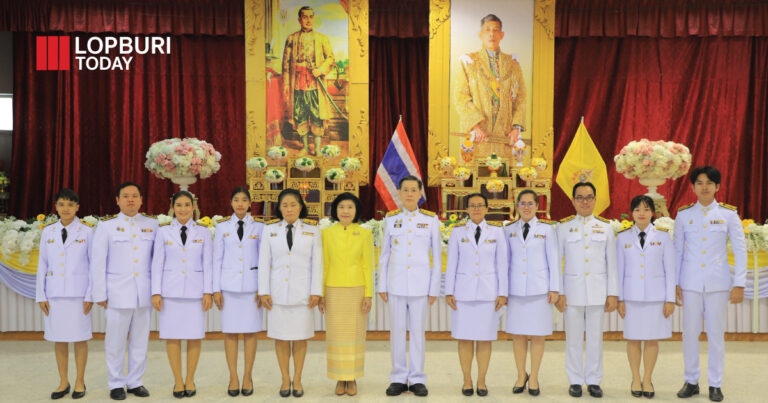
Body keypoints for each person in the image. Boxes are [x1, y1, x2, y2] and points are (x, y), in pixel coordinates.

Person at [674, 166, 746, 402]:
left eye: (709, 183)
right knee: (689, 334)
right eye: (699, 183)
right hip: (690, 283)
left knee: (716, 334)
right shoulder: (683, 215)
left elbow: (740, 249)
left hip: (717, 283)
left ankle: (715, 383)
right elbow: (677, 251)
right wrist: (675, 283)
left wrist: (739, 283)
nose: (704, 187)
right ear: (693, 187)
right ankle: (691, 381)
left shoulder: (728, 214)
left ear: (717, 186)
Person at [90, 182, 157, 400]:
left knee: (140, 341)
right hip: (117, 294)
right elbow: (98, 263)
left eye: (135, 196)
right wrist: (99, 293)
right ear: (117, 200)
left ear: (141, 200)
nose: (130, 200)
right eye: (126, 196)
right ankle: (116, 383)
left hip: (143, 293)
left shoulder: (152, 224)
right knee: (115, 342)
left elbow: (157, 261)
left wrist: (156, 291)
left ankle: (135, 381)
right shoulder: (107, 226)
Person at [377, 175, 442, 397]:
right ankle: (397, 377)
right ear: (399, 193)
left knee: (417, 333)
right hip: (396, 285)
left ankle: (416, 378)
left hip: (420, 286)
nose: (409, 194)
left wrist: (434, 288)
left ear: (420, 193)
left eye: (414, 190)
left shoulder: (430, 220)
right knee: (396, 332)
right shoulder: (391, 219)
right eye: (405, 190)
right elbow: (385, 255)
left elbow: (436, 257)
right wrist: (382, 285)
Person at [555, 182, 618, 398]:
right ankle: (574, 380)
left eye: (589, 197)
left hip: (598, 291)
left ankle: (593, 380)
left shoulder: (606, 227)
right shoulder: (563, 227)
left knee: (595, 339)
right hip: (571, 292)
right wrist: (559, 292)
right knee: (573, 338)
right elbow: (557, 262)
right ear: (573, 201)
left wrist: (612, 293)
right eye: (580, 197)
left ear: (595, 200)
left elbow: (612, 263)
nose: (585, 201)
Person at [258, 189, 323, 398]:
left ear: (301, 207)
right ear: (279, 208)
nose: (289, 209)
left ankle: (298, 379)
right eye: (284, 205)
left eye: (293, 204)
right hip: (277, 294)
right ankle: (285, 379)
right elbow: (264, 262)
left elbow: (317, 263)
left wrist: (316, 291)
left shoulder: (312, 229)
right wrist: (263, 291)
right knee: (281, 338)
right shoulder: (270, 230)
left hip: (303, 294)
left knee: (301, 338)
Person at [444, 193, 508, 397]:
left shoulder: (497, 232)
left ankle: (481, 380)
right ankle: (467, 380)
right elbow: (451, 263)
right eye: (472, 205)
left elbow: (502, 264)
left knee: (484, 339)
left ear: (487, 209)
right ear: (467, 210)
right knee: (464, 338)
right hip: (463, 293)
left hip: (488, 294)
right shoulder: (457, 232)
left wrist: (503, 293)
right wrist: (449, 291)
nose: (477, 209)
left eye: (480, 205)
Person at [151, 191, 213, 398]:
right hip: (170, 291)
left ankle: (190, 379)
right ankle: (178, 380)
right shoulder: (163, 232)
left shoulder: (203, 231)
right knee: (172, 336)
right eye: (179, 205)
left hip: (196, 292)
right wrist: (156, 292)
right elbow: (157, 263)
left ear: (193, 207)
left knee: (194, 336)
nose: (183, 209)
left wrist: (208, 291)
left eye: (187, 205)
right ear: (172, 207)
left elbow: (208, 264)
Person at [36, 189, 94, 400]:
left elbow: (93, 266)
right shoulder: (48, 232)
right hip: (54, 295)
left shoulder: (87, 232)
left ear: (77, 207)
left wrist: (90, 295)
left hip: (79, 295)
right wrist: (41, 295)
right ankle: (63, 381)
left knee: (80, 339)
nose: (66, 208)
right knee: (58, 339)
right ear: (56, 207)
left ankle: (80, 381)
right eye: (61, 204)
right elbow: (42, 264)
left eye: (70, 204)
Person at [616, 195, 676, 398]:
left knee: (651, 339)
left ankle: (648, 379)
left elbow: (670, 270)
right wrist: (620, 299)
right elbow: (619, 271)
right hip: (631, 297)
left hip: (656, 297)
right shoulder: (622, 237)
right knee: (633, 339)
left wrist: (670, 299)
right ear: (631, 213)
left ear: (653, 213)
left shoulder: (663, 237)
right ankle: (635, 378)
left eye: (646, 209)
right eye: (637, 210)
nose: (641, 213)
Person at [503, 189, 559, 396]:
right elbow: (505, 262)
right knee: (518, 335)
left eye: (530, 203)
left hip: (539, 290)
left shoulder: (547, 229)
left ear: (537, 206)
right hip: (516, 290)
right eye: (522, 203)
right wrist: (503, 291)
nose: (526, 207)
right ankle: (521, 375)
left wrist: (554, 288)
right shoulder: (508, 230)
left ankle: (534, 376)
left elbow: (553, 260)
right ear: (517, 206)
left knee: (537, 335)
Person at [212, 187, 265, 397]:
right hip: (229, 288)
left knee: (251, 332)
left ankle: (247, 376)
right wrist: (215, 289)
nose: (240, 204)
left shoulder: (260, 226)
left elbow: (264, 259)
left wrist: (263, 288)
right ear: (231, 202)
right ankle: (233, 376)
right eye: (236, 200)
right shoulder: (222, 226)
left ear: (250, 203)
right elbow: (217, 259)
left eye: (244, 200)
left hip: (252, 288)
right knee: (231, 333)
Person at [320, 192, 374, 396]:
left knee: (355, 334)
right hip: (333, 289)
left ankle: (351, 377)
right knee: (336, 335)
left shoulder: (364, 233)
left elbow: (368, 265)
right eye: (341, 207)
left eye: (350, 207)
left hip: (356, 289)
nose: (345, 211)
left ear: (356, 210)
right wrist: (321, 293)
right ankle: (339, 377)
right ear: (335, 210)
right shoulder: (326, 234)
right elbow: (324, 265)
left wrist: (368, 294)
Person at [453, 13, 527, 159]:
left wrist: (516, 128)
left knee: (504, 172)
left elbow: (521, 97)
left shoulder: (513, 64)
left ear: (502, 35)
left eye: (496, 30)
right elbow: (461, 96)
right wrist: (475, 126)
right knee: (475, 171)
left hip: (505, 135)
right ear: (480, 34)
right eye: (487, 30)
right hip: (479, 135)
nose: (492, 34)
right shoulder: (468, 62)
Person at [282, 5, 335, 156]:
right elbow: (285, 64)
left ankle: (317, 150)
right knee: (300, 115)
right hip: (298, 84)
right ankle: (305, 147)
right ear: (299, 19)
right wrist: (286, 83)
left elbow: (330, 58)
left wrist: (321, 69)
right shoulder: (291, 39)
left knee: (317, 115)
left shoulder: (322, 38)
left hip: (315, 84)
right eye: (305, 17)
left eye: (311, 17)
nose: (308, 20)